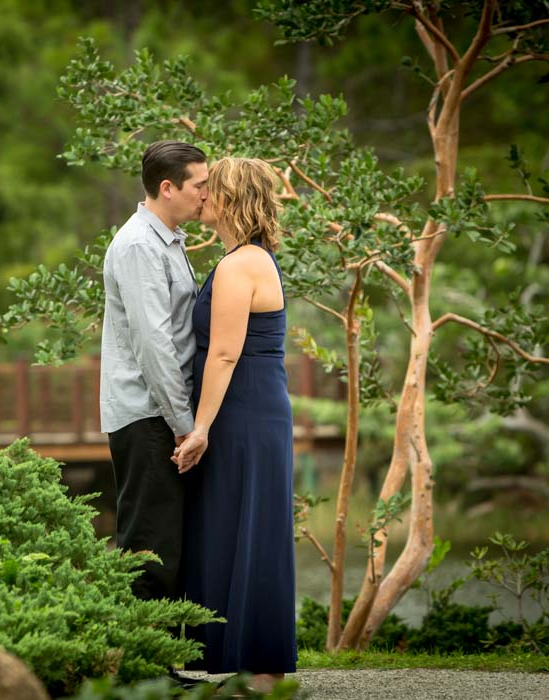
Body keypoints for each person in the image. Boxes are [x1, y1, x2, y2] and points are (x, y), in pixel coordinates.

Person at [173, 156, 297, 693]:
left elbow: (223, 354)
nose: (202, 197)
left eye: (210, 190)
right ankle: (242, 660)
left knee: (253, 526)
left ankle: (263, 666)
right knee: (234, 523)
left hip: (242, 409)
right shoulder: (238, 259)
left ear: (231, 200)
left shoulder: (241, 263)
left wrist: (199, 428)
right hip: (243, 407)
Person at [100, 140, 208, 601]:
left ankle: (164, 665)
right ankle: (143, 669)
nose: (207, 194)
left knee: (167, 542)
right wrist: (185, 426)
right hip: (149, 416)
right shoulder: (141, 246)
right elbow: (154, 345)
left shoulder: (166, 240)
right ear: (168, 188)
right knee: (149, 545)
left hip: (161, 414)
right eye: (200, 186)